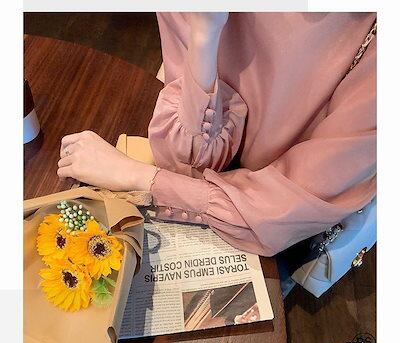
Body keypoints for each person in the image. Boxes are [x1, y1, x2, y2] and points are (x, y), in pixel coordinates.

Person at [58, 12, 376, 257]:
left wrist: (136, 176)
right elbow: (188, 161)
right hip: (216, 198)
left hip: (275, 234)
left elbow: (284, 210)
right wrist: (204, 36)